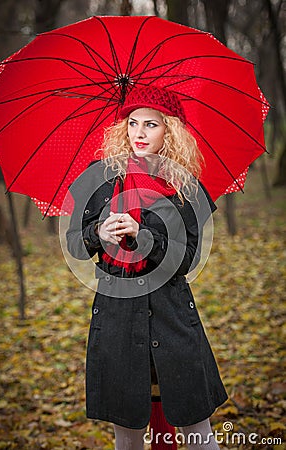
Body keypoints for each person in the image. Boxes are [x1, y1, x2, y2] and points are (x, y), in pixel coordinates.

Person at [66, 86, 228, 450]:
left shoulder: (186, 188)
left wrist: (145, 235)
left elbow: (186, 260)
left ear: (168, 131)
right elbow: (75, 245)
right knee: (128, 434)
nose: (139, 133)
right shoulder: (100, 178)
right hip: (118, 319)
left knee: (197, 430)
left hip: (171, 318)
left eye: (150, 125)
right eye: (133, 123)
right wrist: (98, 232)